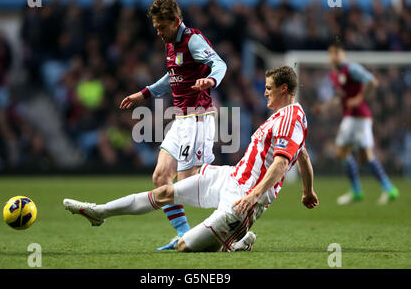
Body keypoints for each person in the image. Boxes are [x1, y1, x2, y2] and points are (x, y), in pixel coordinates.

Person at [64, 66, 319, 252]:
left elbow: (282, 162)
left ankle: (237, 242)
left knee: (184, 246)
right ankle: (100, 212)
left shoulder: (289, 119)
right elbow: (303, 154)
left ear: (284, 89)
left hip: (243, 199)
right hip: (228, 176)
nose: (265, 93)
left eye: (269, 88)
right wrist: (307, 191)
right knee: (164, 192)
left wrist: (253, 196)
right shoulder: (285, 117)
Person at [119, 0, 227, 249]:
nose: (158, 32)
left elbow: (219, 63)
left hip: (198, 118)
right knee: (160, 177)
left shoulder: (193, 40)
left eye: (161, 27)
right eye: (155, 27)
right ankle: (183, 234)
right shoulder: (170, 43)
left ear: (176, 21)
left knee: (190, 183)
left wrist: (210, 80)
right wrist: (143, 94)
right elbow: (173, 76)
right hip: (181, 119)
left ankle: (236, 224)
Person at [313, 42, 399, 205]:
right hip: (352, 117)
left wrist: (358, 99)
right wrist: (324, 107)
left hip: (358, 116)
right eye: (332, 53)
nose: (335, 56)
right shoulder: (334, 75)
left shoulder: (351, 69)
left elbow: (372, 82)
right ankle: (386, 188)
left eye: (338, 53)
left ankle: (360, 191)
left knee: (342, 151)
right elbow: (340, 97)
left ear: (343, 54)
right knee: (363, 156)